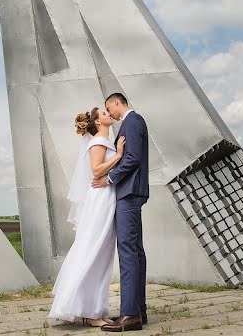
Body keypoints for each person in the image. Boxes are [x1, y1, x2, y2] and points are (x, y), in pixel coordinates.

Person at [48, 108, 126, 326]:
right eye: (104, 112)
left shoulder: (105, 140)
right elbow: (96, 170)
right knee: (94, 250)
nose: (108, 113)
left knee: (102, 254)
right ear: (97, 121)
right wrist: (119, 156)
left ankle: (95, 310)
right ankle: (89, 313)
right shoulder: (98, 142)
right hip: (100, 200)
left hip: (106, 198)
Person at [92, 92, 149, 332]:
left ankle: (130, 315)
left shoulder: (132, 121)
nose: (110, 113)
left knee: (127, 251)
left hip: (128, 192)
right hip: (131, 192)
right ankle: (137, 311)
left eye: (109, 107)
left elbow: (133, 158)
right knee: (135, 251)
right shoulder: (131, 123)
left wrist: (110, 179)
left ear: (118, 103)